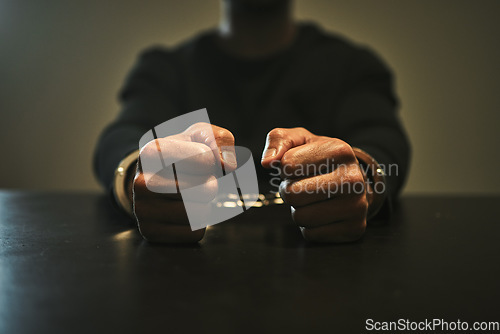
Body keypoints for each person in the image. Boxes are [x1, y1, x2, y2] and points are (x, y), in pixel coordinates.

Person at [93, 0, 411, 243]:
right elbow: (121, 136)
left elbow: (383, 139)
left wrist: (364, 178)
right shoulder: (164, 69)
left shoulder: (351, 67)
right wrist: (138, 173)